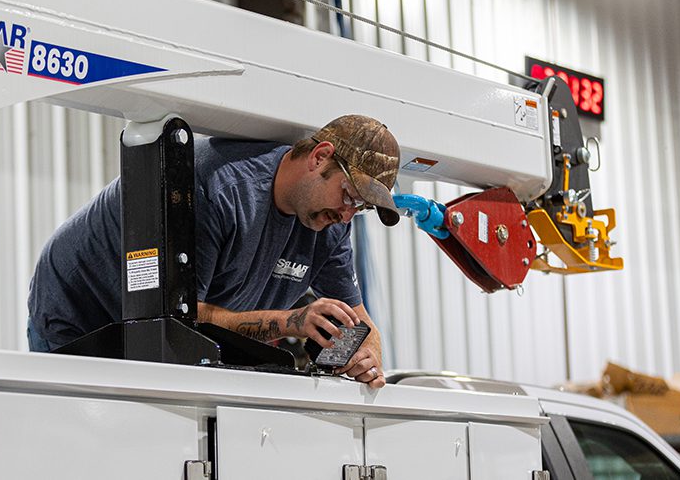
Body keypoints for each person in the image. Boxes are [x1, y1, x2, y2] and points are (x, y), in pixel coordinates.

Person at [28, 115, 401, 388]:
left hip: (168, 332)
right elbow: (183, 316)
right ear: (319, 157)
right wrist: (291, 321)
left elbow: (359, 319)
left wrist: (369, 358)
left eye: (361, 207)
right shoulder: (217, 190)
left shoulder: (330, 222)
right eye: (349, 195)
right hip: (82, 312)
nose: (347, 213)